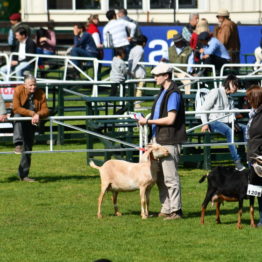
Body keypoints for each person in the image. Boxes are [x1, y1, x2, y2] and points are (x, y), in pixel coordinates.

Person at [138, 63, 186, 220]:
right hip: (158, 140)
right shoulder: (163, 92)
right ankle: (166, 208)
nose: (154, 78)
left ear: (166, 76)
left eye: (157, 75)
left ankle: (176, 210)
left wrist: (148, 122)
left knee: (170, 178)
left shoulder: (173, 94)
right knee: (159, 178)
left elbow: (171, 119)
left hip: (169, 140)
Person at [200, 74, 246, 171]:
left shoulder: (230, 98)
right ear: (229, 83)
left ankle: (251, 157)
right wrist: (205, 123)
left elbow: (230, 113)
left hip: (227, 122)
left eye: (237, 86)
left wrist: (234, 121)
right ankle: (237, 162)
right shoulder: (215, 92)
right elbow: (203, 109)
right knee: (229, 131)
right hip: (213, 122)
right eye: (235, 86)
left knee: (246, 128)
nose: (236, 89)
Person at [12, 75, 49, 182]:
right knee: (18, 117)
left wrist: (37, 115)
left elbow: (46, 110)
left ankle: (24, 175)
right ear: (25, 85)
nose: (33, 87)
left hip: (32, 121)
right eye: (30, 85)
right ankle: (18, 143)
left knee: (28, 147)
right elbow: (16, 108)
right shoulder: (18, 90)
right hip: (20, 119)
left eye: (34, 85)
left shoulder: (40, 93)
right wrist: (32, 113)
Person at [246, 85, 262, 226]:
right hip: (253, 156)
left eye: (249, 97)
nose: (247, 100)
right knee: (256, 189)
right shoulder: (254, 113)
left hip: (259, 157)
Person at [128, 34, 147, 104]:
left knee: (134, 88)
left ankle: (133, 101)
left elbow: (130, 60)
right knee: (140, 88)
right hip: (139, 72)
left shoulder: (133, 49)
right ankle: (137, 103)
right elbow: (136, 61)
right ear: (144, 43)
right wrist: (131, 71)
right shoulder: (141, 50)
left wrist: (130, 70)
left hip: (133, 71)